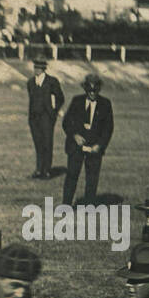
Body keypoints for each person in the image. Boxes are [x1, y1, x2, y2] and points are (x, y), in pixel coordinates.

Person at [60, 73, 113, 206]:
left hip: (94, 149)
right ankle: (66, 205)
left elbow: (108, 128)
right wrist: (75, 135)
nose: (92, 93)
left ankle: (89, 206)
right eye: (89, 90)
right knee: (72, 176)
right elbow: (66, 122)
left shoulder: (105, 104)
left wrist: (100, 145)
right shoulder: (76, 101)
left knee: (92, 179)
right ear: (85, 89)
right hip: (75, 147)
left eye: (95, 90)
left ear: (99, 89)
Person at [26, 57, 64, 179]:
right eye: (35, 67)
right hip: (34, 118)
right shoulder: (30, 82)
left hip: (47, 117)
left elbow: (60, 98)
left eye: (38, 67)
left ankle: (46, 170)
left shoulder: (52, 81)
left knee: (47, 142)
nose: (36, 69)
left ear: (43, 68)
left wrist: (54, 111)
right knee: (38, 143)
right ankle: (38, 169)